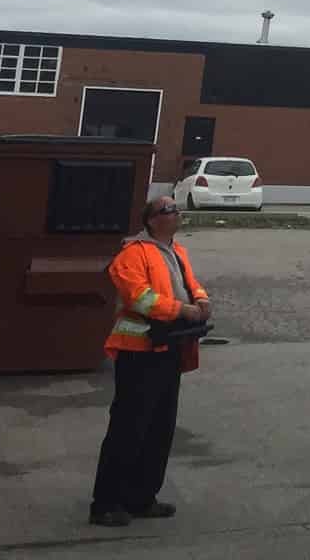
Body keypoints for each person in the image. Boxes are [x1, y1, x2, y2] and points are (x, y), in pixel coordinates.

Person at [89, 195, 211, 526]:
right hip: (138, 354)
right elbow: (139, 297)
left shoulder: (176, 252)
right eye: (169, 209)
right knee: (128, 429)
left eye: (175, 208)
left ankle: (142, 498)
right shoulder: (133, 254)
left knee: (159, 429)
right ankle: (106, 504)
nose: (177, 213)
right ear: (153, 220)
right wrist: (181, 310)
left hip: (169, 349)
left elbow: (191, 285)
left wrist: (201, 300)